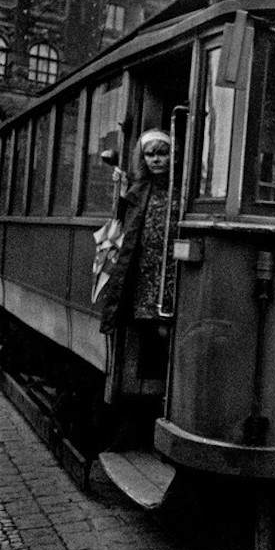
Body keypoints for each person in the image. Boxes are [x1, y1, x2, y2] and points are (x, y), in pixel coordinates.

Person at [99, 129, 179, 391]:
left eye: (162, 153)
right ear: (142, 158)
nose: (156, 160)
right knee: (155, 329)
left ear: (173, 155)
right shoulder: (139, 188)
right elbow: (123, 223)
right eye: (150, 154)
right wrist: (121, 192)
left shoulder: (182, 187)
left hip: (172, 268)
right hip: (147, 270)